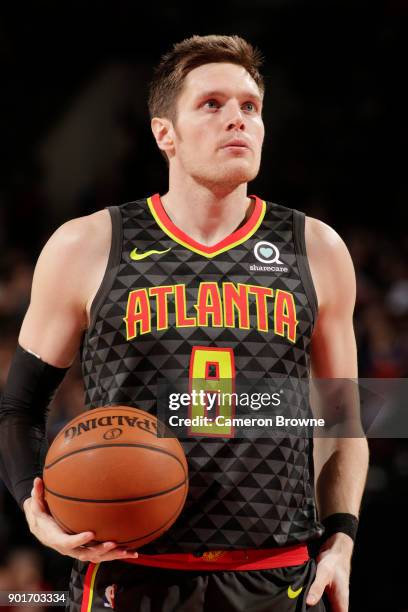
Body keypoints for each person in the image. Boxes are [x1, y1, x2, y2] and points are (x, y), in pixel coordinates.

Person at [0, 35, 369, 611]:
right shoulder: (88, 244)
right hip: (130, 573)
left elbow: (343, 418)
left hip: (279, 574)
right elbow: (18, 407)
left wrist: (342, 538)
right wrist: (33, 507)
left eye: (250, 107)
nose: (237, 120)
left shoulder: (316, 248)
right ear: (163, 134)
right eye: (212, 104)